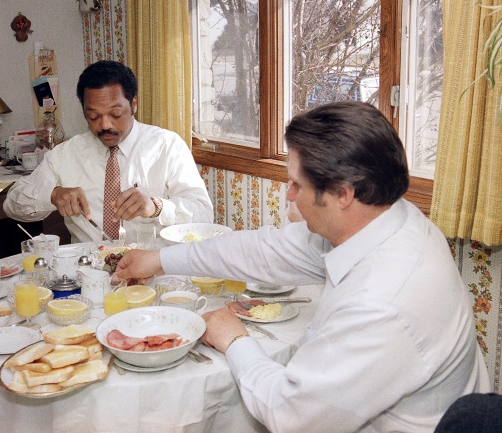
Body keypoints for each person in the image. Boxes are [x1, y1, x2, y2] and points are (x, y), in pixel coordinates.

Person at [115, 101, 490, 432]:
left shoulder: (382, 302)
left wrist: (234, 340)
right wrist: (161, 259)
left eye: (296, 184)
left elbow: (291, 416)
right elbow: (263, 251)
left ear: (343, 194)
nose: (289, 195)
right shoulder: (389, 217)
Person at [3, 60, 213, 243]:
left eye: (115, 114)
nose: (104, 125)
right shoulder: (66, 154)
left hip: (151, 268)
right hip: (89, 272)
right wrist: (52, 195)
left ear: (134, 104)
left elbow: (204, 214)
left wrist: (156, 207)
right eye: (93, 116)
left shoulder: (166, 146)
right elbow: (12, 204)